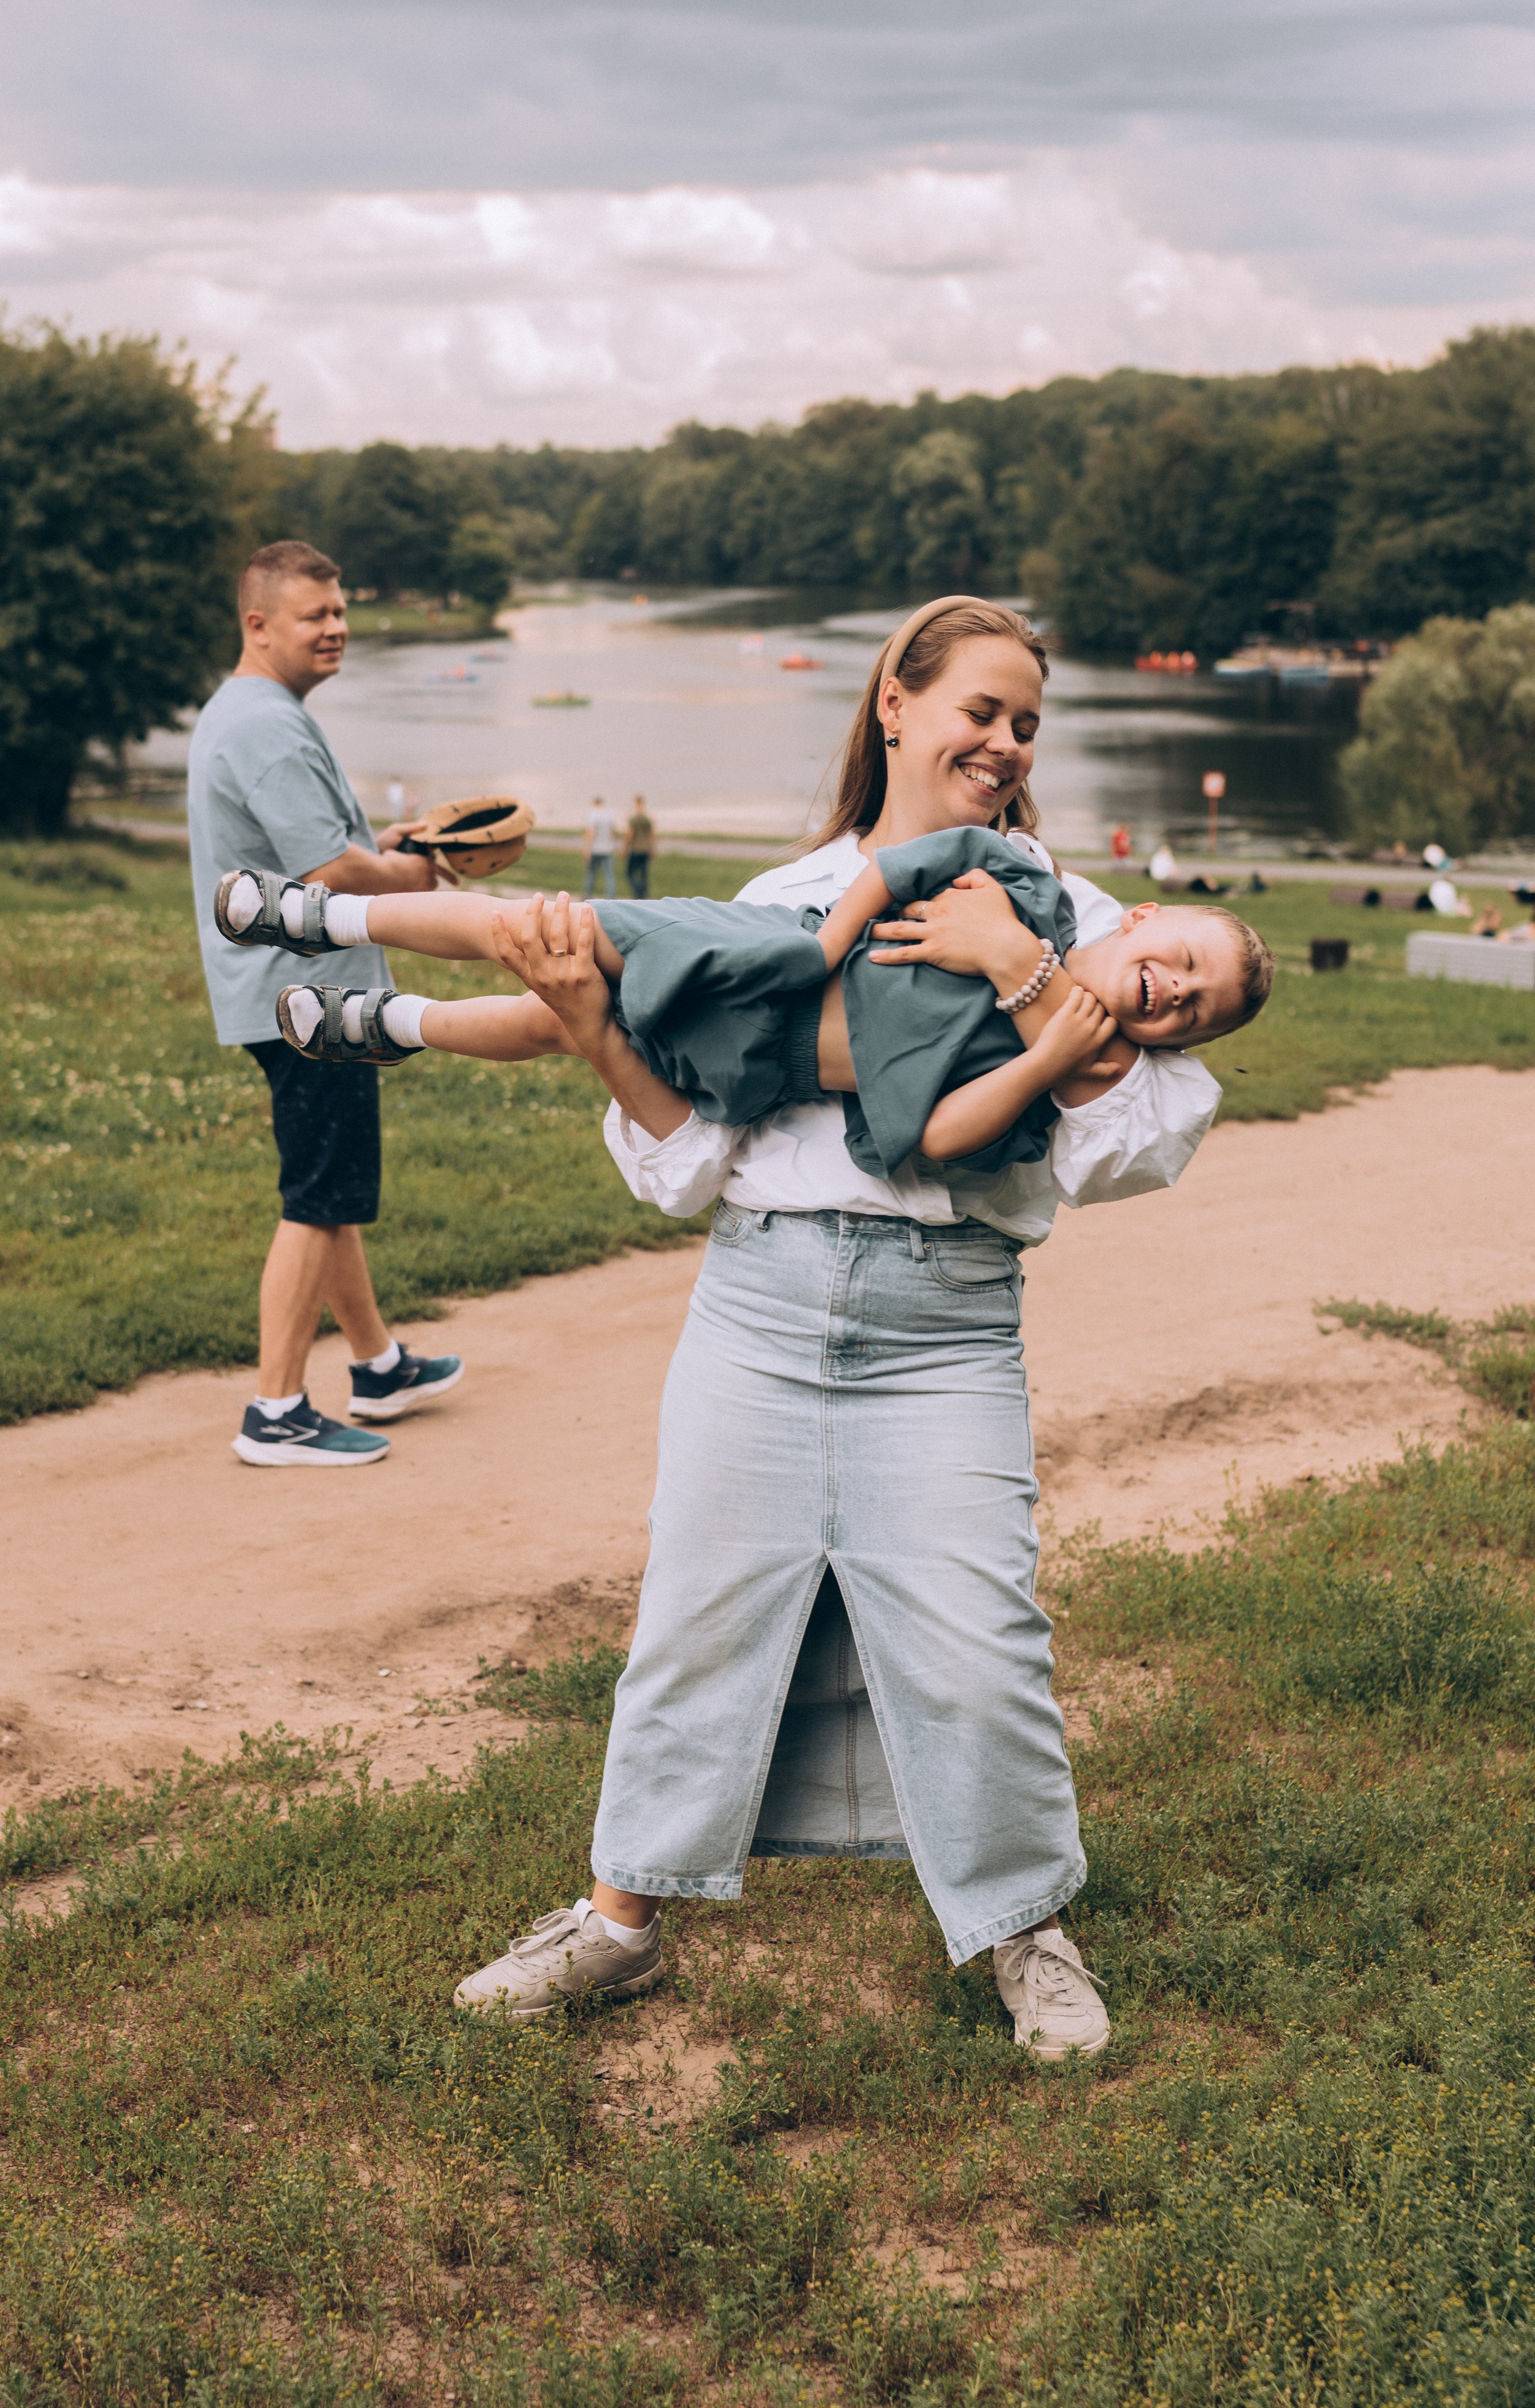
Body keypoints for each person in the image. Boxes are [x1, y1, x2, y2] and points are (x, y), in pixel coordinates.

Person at [290, 597, 1238, 2057]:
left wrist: (1017, 966)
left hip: (943, 1330)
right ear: (896, 706)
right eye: (979, 710)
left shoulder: (1086, 921)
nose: (1002, 742)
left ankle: (1020, 1928)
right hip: (763, 1300)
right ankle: (618, 1928)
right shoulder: (787, 899)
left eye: (1027, 723)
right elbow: (684, 1161)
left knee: (979, 1634)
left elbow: (1139, 1140)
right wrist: (589, 1023)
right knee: (695, 1619)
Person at [221, 832, 1266, 1193]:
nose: (1174, 989)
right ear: (1141, 917)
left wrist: (1042, 1062)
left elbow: (923, 1139)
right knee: (548, 932)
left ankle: (382, 1029)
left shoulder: (1033, 1090)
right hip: (755, 955)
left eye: (1196, 1007)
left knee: (559, 1022)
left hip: (751, 1069)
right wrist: (818, 942)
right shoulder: (1027, 894)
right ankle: (326, 913)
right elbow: (909, 859)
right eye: (1180, 959)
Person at [187, 539, 466, 1467]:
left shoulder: (256, 711)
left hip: (295, 992)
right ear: (258, 625)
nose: (337, 628)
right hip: (309, 1000)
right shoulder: (264, 722)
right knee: (315, 1197)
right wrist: (413, 874)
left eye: (340, 611)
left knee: (332, 1188)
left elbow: (324, 848)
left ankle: (378, 1366)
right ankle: (274, 1411)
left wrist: (379, 845)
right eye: (316, 616)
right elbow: (335, 875)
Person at [584, 797, 619, 899]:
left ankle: (588, 896)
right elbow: (614, 832)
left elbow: (591, 833)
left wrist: (586, 849)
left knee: (591, 875)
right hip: (607, 849)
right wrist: (614, 845)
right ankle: (611, 897)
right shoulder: (609, 815)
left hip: (595, 849)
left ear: (595, 803)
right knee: (609, 876)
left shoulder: (593, 815)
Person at [626, 796, 655, 899]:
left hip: (636, 849)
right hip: (646, 849)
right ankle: (644, 894)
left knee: (629, 873)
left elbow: (630, 834)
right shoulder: (647, 818)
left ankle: (638, 892)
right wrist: (652, 849)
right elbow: (652, 835)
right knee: (644, 874)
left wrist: (625, 848)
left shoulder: (634, 819)